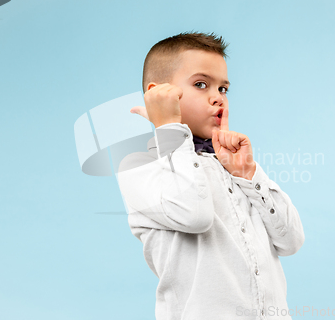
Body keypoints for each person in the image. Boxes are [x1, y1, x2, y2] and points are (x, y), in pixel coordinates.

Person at [117, 32, 305, 320]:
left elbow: (291, 241)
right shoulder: (139, 166)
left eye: (223, 89)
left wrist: (247, 173)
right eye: (201, 84)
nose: (217, 98)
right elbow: (194, 215)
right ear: (158, 93)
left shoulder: (230, 161)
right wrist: (168, 127)